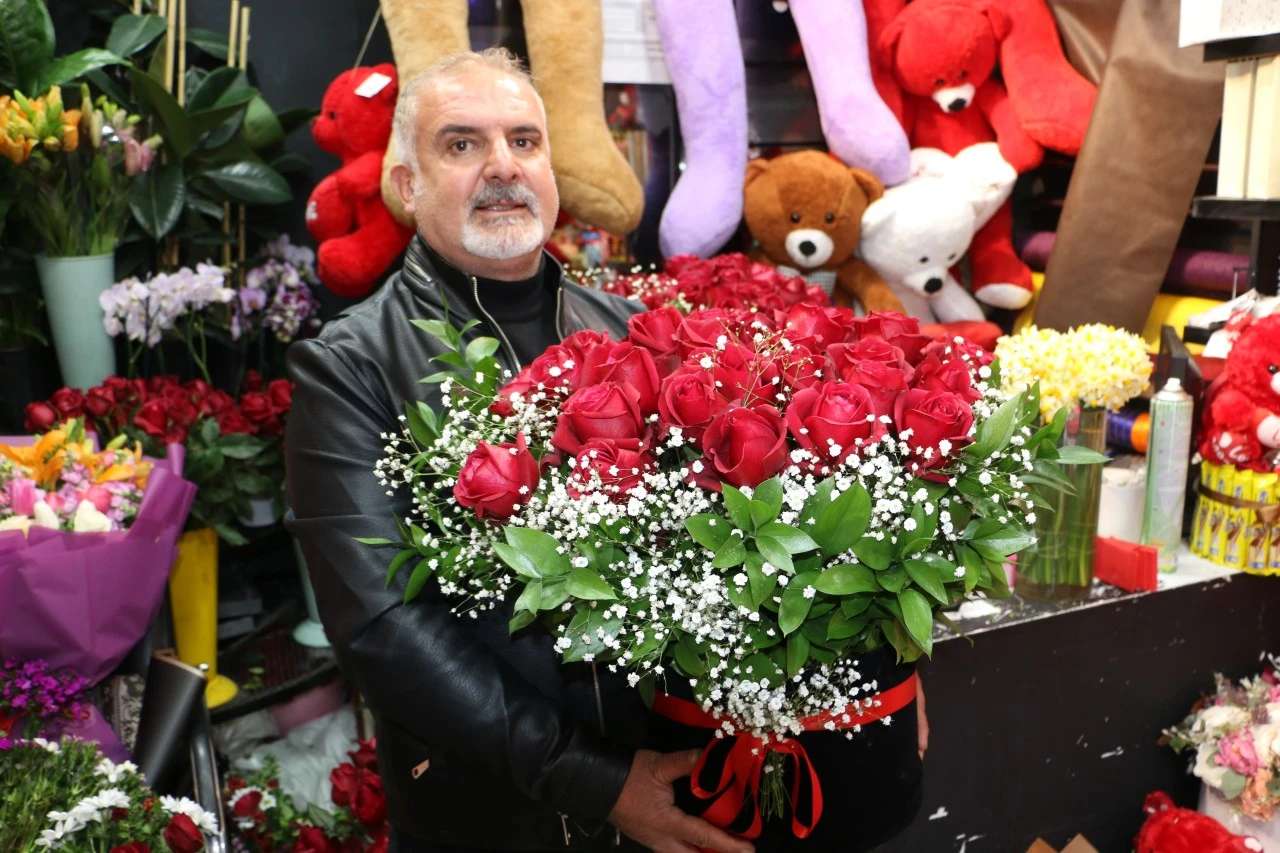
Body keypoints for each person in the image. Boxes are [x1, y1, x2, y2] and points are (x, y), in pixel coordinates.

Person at [284, 49, 758, 853]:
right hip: (490, 821)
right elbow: (382, 626)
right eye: (461, 144)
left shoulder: (636, 330)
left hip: (679, 794)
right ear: (406, 185)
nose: (503, 165)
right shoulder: (348, 366)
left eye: (524, 141)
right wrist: (600, 781)